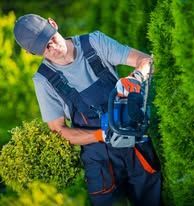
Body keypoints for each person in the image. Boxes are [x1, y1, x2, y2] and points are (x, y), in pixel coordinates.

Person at [13, 14, 161, 206]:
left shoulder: (94, 43)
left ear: (53, 24)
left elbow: (147, 60)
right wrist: (102, 135)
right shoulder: (44, 81)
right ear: (30, 53)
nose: (55, 48)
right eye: (46, 49)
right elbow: (60, 132)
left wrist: (137, 77)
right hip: (99, 161)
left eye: (52, 39)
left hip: (134, 142)